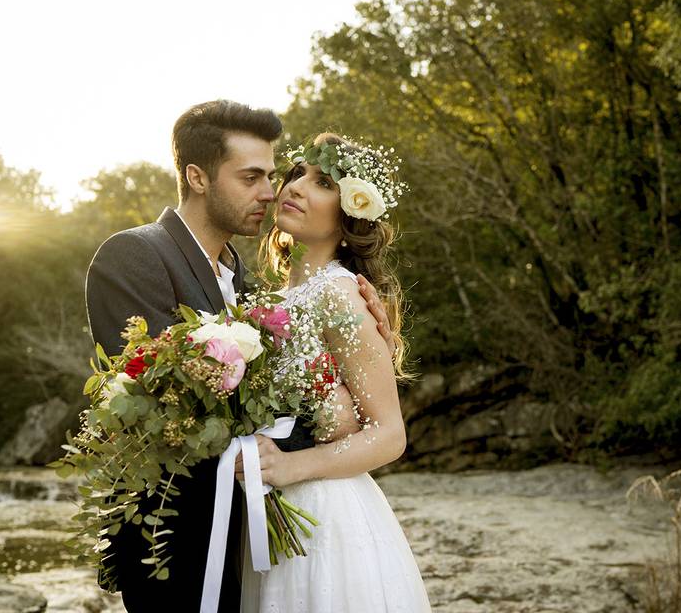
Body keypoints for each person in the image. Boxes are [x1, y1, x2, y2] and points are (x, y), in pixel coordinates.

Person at [85, 102, 393, 612]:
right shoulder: (135, 256)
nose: (272, 192)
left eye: (273, 175)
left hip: (255, 542)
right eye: (252, 177)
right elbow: (170, 405)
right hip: (175, 543)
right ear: (197, 177)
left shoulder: (250, 284)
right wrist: (327, 417)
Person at [237, 132, 432, 612]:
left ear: (349, 217)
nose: (296, 188)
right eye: (296, 174)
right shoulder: (270, 300)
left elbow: (389, 435)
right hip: (268, 513)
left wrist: (288, 465)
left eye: (321, 181)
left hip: (325, 518)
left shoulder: (342, 295)